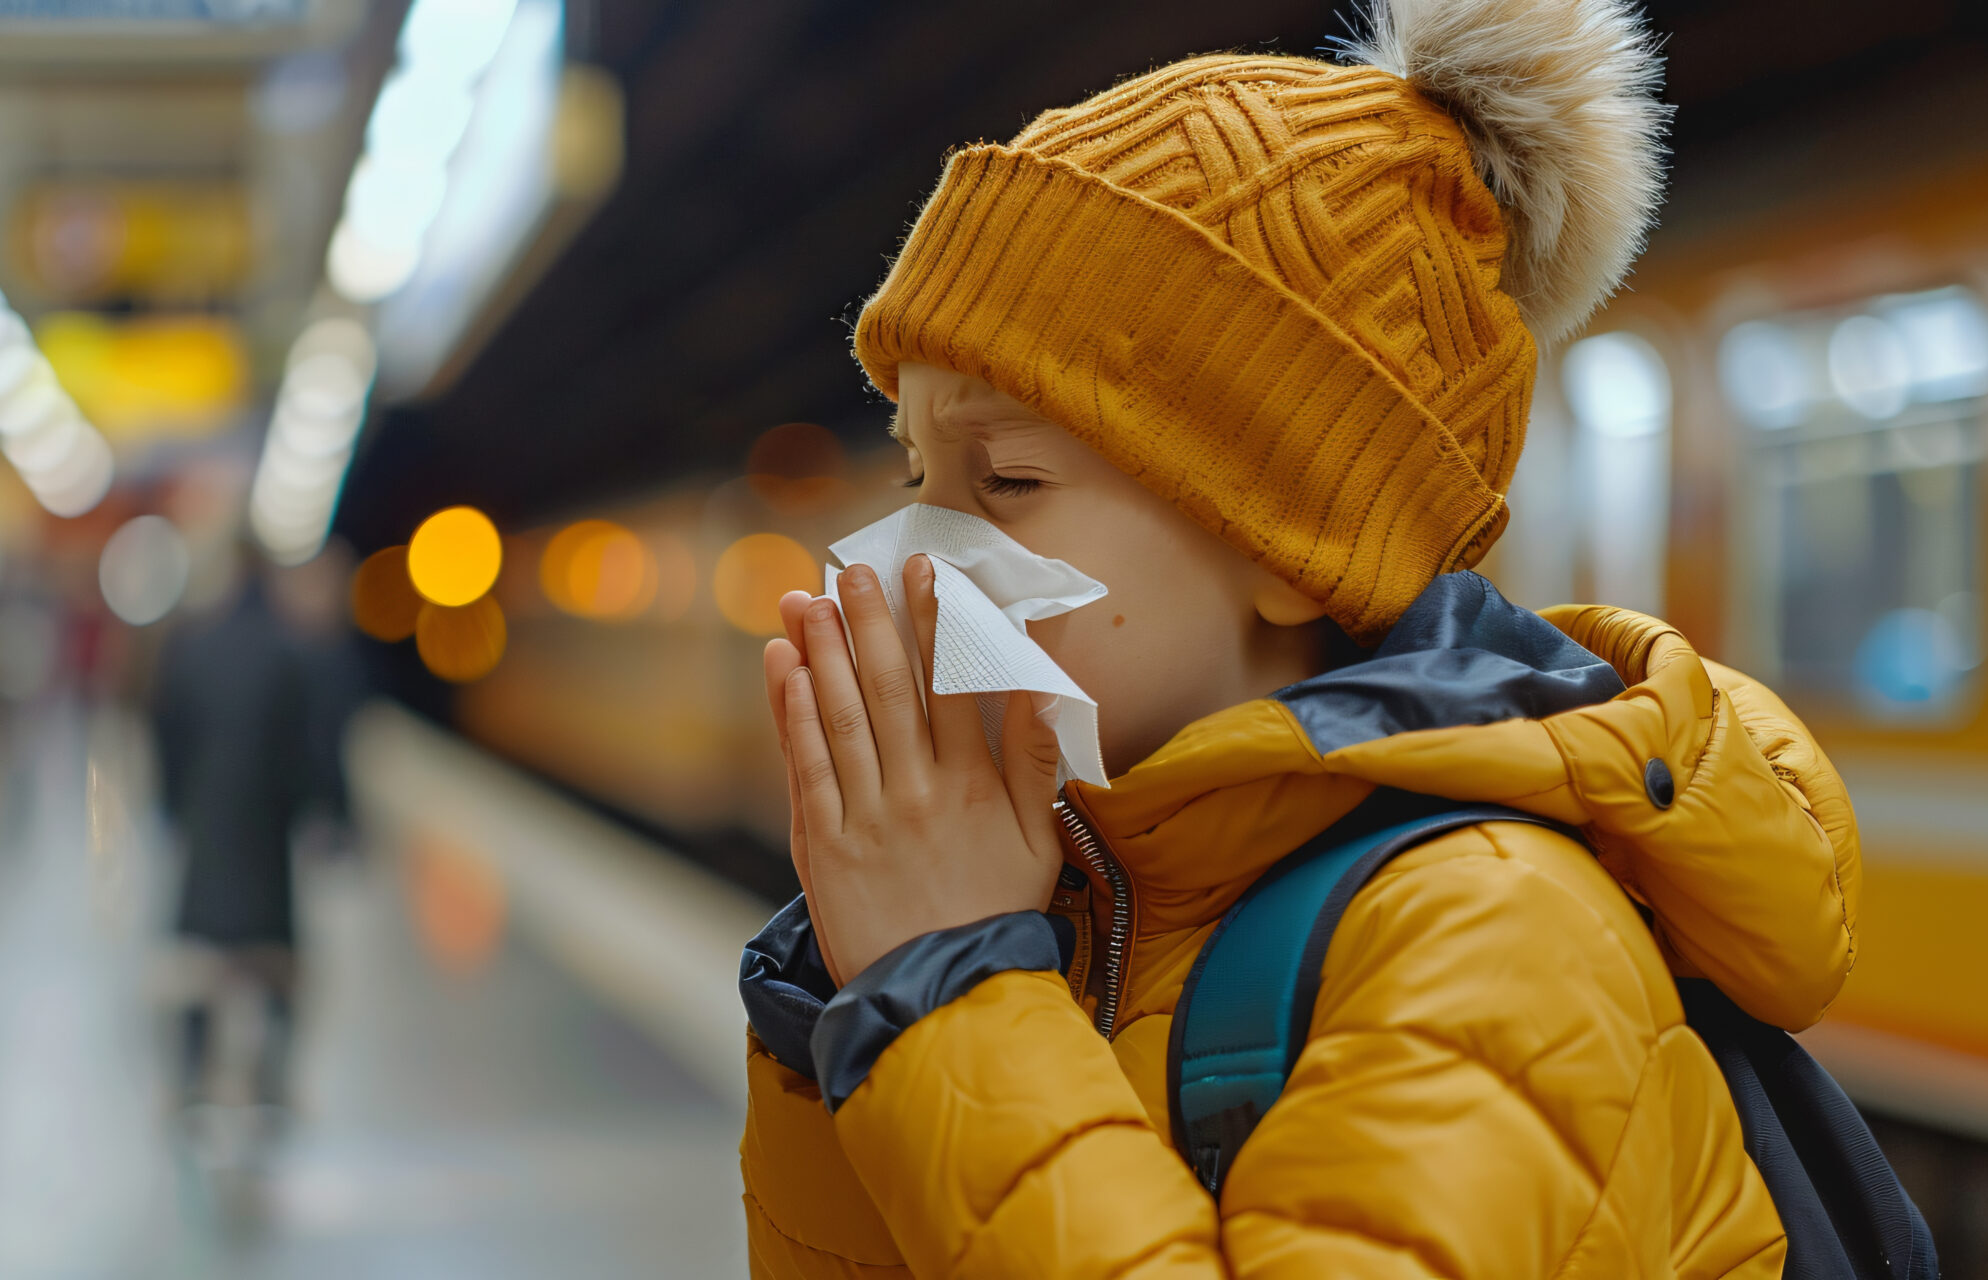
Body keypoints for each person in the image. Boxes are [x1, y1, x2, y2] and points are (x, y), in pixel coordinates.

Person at [737, 2, 1864, 1276]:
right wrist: (837, 1001)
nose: (919, 560)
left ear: (1287, 542)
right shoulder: (1089, 888)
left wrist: (941, 996)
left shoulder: (1492, 931)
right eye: (912, 482)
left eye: (1002, 481)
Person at [149, 549, 313, 1110]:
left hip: (206, 823)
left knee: (199, 957)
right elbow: (308, 749)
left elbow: (165, 733)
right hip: (266, 832)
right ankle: (271, 1073)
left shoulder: (192, 646)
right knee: (274, 958)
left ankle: (195, 1072)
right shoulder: (288, 650)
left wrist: (173, 806)